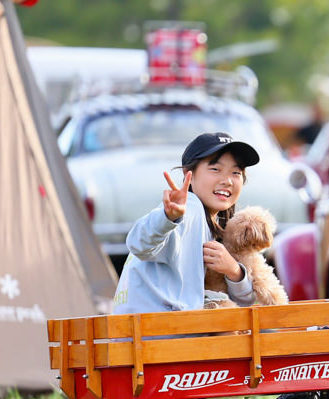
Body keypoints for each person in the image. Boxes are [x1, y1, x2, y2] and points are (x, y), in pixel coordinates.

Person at [112, 132, 261, 314]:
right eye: (215, 169)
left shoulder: (214, 223)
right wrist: (168, 218)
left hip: (159, 326)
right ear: (188, 174)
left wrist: (234, 270)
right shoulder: (190, 209)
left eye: (236, 172)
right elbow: (139, 244)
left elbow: (245, 299)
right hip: (153, 328)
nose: (227, 181)